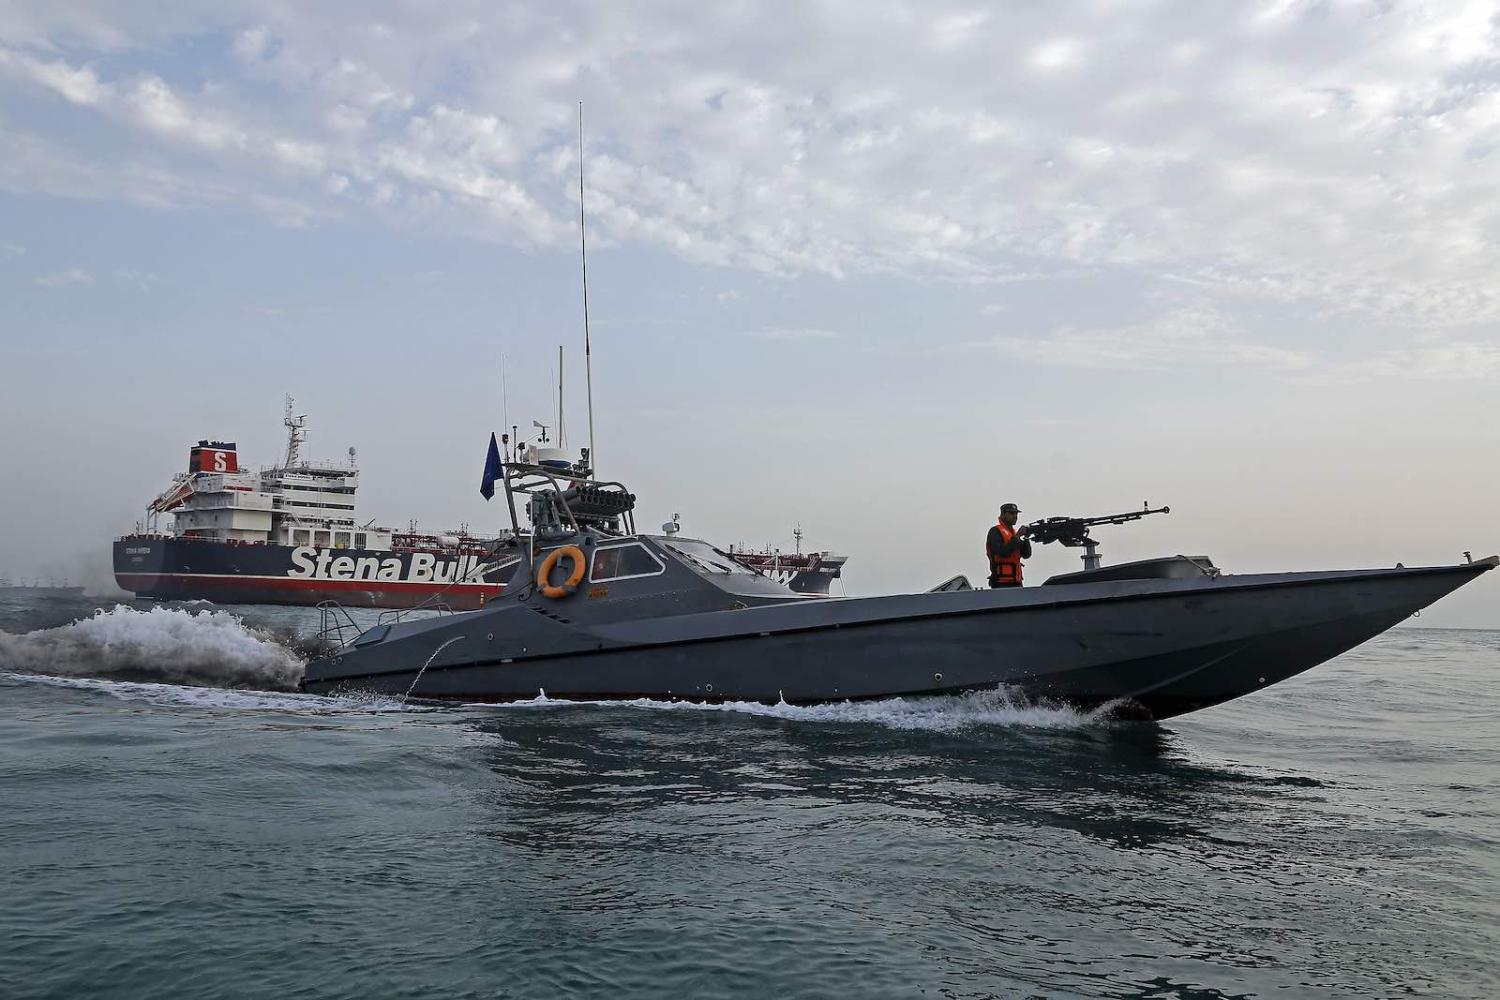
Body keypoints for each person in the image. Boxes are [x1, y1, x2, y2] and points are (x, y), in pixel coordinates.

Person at [986, 502, 1032, 588]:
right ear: (1003, 514)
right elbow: (1003, 552)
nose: (1015, 516)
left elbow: (1026, 554)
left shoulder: (1013, 534)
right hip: (1001, 582)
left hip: (1016, 581)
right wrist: (1018, 536)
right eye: (1011, 513)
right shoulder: (995, 531)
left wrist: (1026, 538)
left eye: (1016, 514)